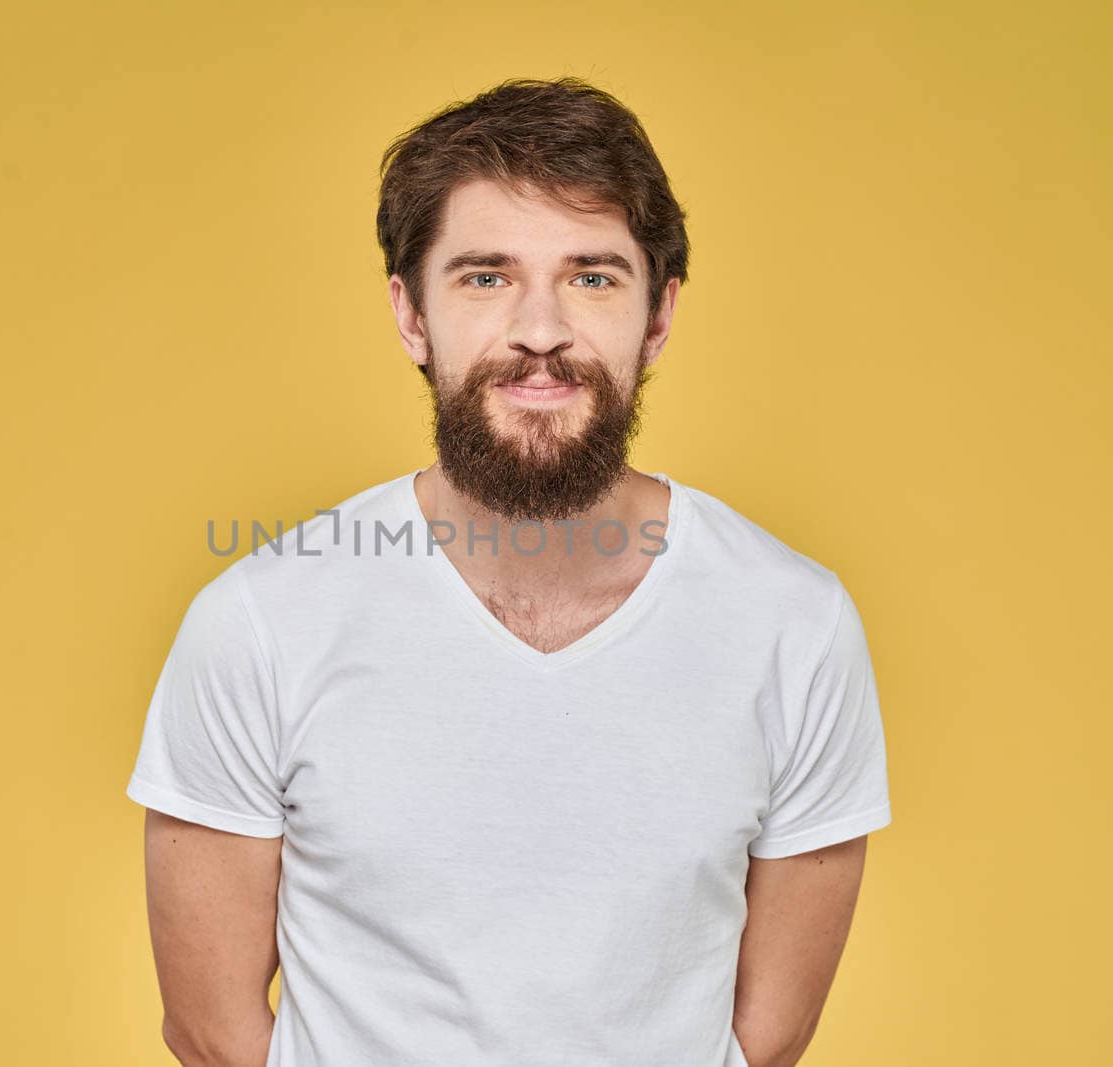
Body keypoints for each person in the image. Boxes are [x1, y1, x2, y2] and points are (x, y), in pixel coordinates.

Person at [126, 76, 892, 1067]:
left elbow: (770, 1031)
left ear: (657, 317)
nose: (540, 329)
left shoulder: (793, 624)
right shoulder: (262, 622)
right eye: (484, 276)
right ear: (410, 315)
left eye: (593, 276)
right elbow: (209, 1028)